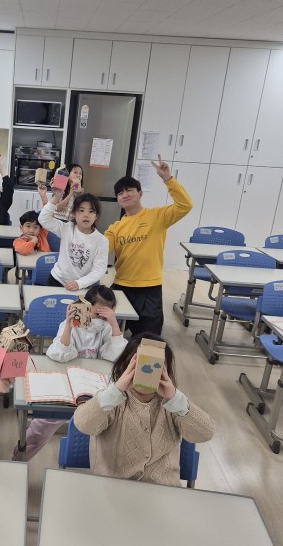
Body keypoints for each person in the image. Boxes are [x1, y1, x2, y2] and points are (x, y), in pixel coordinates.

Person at [73, 333, 215, 486]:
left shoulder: (173, 404)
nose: (146, 371)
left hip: (162, 488)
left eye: (157, 367)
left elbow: (206, 433)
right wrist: (115, 391)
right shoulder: (112, 400)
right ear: (123, 368)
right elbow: (84, 424)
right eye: (136, 366)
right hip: (114, 486)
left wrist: (176, 400)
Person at [14, 284, 128, 461]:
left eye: (106, 315)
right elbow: (59, 354)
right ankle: (19, 458)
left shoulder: (106, 328)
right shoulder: (71, 326)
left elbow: (116, 355)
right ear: (85, 308)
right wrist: (68, 325)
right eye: (97, 314)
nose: (100, 320)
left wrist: (113, 323)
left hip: (93, 388)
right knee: (43, 424)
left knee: (113, 421)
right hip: (67, 384)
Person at [104, 155, 192, 335]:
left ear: (140, 193)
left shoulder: (157, 216)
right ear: (118, 199)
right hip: (122, 284)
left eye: (129, 190)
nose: (125, 195)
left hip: (149, 286)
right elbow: (99, 247)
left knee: (149, 337)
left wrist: (168, 179)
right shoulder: (115, 227)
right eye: (120, 193)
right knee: (103, 327)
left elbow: (185, 205)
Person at [38, 190, 108, 290]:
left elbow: (99, 270)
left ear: (96, 216)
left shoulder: (102, 240)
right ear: (74, 214)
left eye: (91, 211)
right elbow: (43, 219)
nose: (86, 215)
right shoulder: (66, 229)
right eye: (81, 210)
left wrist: (79, 283)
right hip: (57, 280)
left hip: (84, 286)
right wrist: (56, 197)